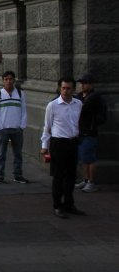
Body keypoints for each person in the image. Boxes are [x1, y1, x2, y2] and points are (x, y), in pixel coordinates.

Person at [41, 77, 85, 218]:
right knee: (59, 176)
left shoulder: (78, 104)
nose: (66, 91)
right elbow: (47, 127)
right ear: (60, 88)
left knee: (71, 176)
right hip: (58, 143)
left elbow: (79, 123)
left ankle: (69, 204)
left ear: (74, 89)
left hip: (72, 143)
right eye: (63, 88)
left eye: (68, 88)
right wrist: (44, 146)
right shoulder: (53, 105)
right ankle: (57, 205)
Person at [0, 70, 28, 184]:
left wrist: (22, 126)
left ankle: (18, 175)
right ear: (3, 81)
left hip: (17, 129)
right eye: (6, 79)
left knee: (18, 154)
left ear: (14, 80)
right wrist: (0, 128)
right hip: (4, 129)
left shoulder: (20, 94)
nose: (8, 81)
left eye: (10, 79)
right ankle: (0, 176)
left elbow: (24, 111)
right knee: (1, 154)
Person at [75, 73, 107, 193]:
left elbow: (83, 109)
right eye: (81, 83)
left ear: (91, 84)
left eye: (85, 83)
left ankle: (92, 182)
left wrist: (93, 121)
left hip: (90, 132)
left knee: (90, 158)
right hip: (80, 132)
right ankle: (86, 179)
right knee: (83, 158)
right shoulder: (79, 96)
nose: (82, 85)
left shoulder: (94, 97)